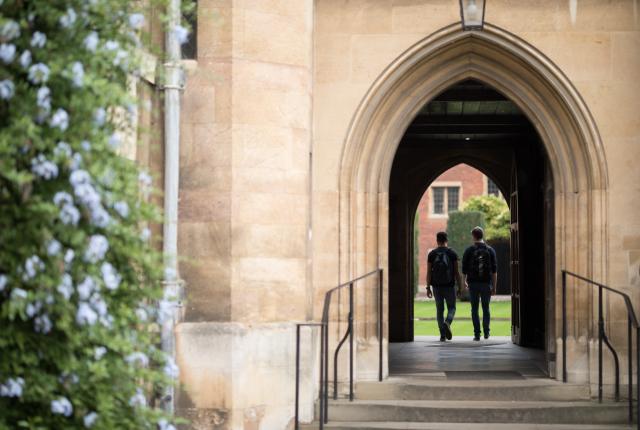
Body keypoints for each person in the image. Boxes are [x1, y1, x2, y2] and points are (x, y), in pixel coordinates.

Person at [462, 226, 498, 341]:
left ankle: (477, 334)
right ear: (482, 235)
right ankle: (486, 333)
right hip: (486, 283)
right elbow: (494, 271)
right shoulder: (490, 250)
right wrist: (494, 287)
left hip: (473, 284)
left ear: (473, 236)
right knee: (486, 308)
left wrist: (464, 283)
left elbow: (464, 270)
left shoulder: (469, 250)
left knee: (474, 309)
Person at [426, 231, 463, 342]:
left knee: (439, 310)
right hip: (449, 285)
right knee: (452, 307)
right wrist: (460, 287)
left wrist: (428, 287)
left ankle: (442, 335)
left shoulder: (432, 254)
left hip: (436, 286)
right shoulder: (452, 253)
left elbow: (429, 272)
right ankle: (447, 322)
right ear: (447, 240)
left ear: (437, 241)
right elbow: (456, 272)